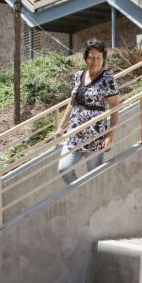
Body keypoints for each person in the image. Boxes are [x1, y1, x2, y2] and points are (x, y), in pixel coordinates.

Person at [54, 39, 119, 184]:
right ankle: (82, 192)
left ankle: (94, 201)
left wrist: (109, 137)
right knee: (64, 168)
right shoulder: (78, 76)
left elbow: (114, 109)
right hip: (75, 132)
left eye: (99, 58)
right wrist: (61, 127)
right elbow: (72, 104)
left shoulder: (108, 79)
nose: (95, 61)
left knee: (95, 177)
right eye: (91, 57)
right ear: (85, 58)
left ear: (103, 58)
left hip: (95, 135)